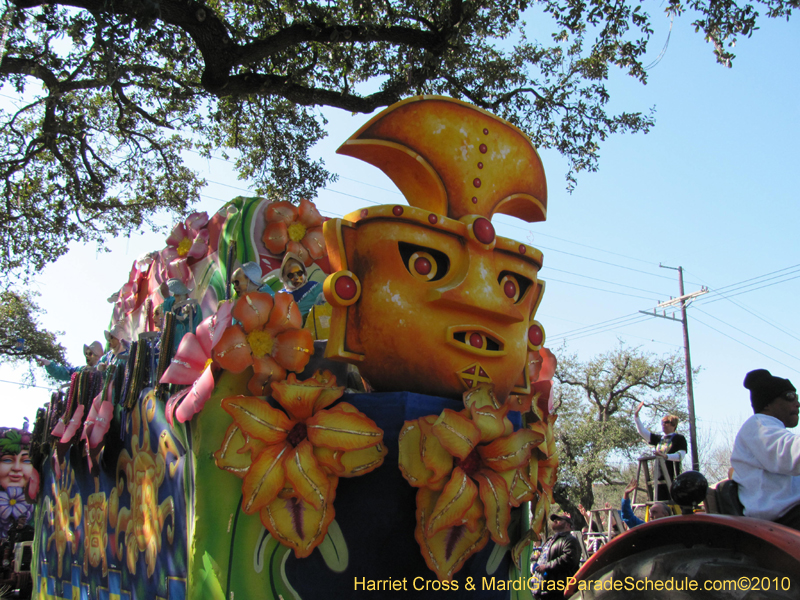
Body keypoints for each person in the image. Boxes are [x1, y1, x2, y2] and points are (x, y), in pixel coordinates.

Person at [731, 369, 800, 530]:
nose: (797, 403)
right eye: (790, 396)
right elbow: (791, 454)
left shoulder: (771, 430)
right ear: (767, 403)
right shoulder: (759, 425)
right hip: (781, 523)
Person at [634, 401, 687, 501]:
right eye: (662, 423)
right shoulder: (659, 439)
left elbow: (681, 456)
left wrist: (666, 456)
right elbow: (642, 432)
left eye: (666, 423)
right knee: (659, 501)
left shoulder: (679, 438)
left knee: (672, 502)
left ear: (673, 425)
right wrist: (636, 416)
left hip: (672, 476)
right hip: (658, 476)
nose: (663, 425)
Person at [531, 513, 581, 600]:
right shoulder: (550, 540)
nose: (555, 521)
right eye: (554, 520)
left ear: (568, 525)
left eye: (560, 520)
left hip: (558, 591)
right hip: (542, 589)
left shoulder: (570, 540)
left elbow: (569, 559)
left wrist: (546, 566)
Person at [275, 253, 323, 319]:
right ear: (284, 277)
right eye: (291, 275)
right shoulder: (280, 296)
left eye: (299, 273)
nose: (296, 278)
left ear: (304, 272)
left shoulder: (316, 287)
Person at [162, 278, 202, 353]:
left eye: (174, 297)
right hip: (179, 350)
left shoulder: (192, 305)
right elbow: (168, 317)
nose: (172, 300)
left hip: (189, 348)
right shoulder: (177, 307)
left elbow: (183, 318)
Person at [35, 341, 104, 382]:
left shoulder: (104, 371)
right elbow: (63, 372)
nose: (87, 356)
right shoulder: (80, 370)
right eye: (86, 353)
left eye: (90, 354)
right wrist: (49, 364)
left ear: (97, 356)